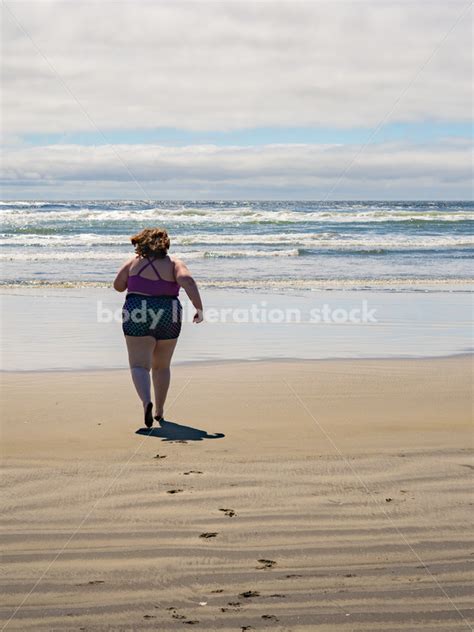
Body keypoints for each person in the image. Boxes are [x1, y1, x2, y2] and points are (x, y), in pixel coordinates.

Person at [113, 227, 203, 427]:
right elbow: (187, 280)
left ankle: (146, 402)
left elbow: (118, 286)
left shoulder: (132, 263)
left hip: (137, 310)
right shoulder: (174, 264)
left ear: (141, 243)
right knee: (161, 366)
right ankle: (160, 411)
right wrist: (199, 307)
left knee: (139, 365)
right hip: (168, 311)